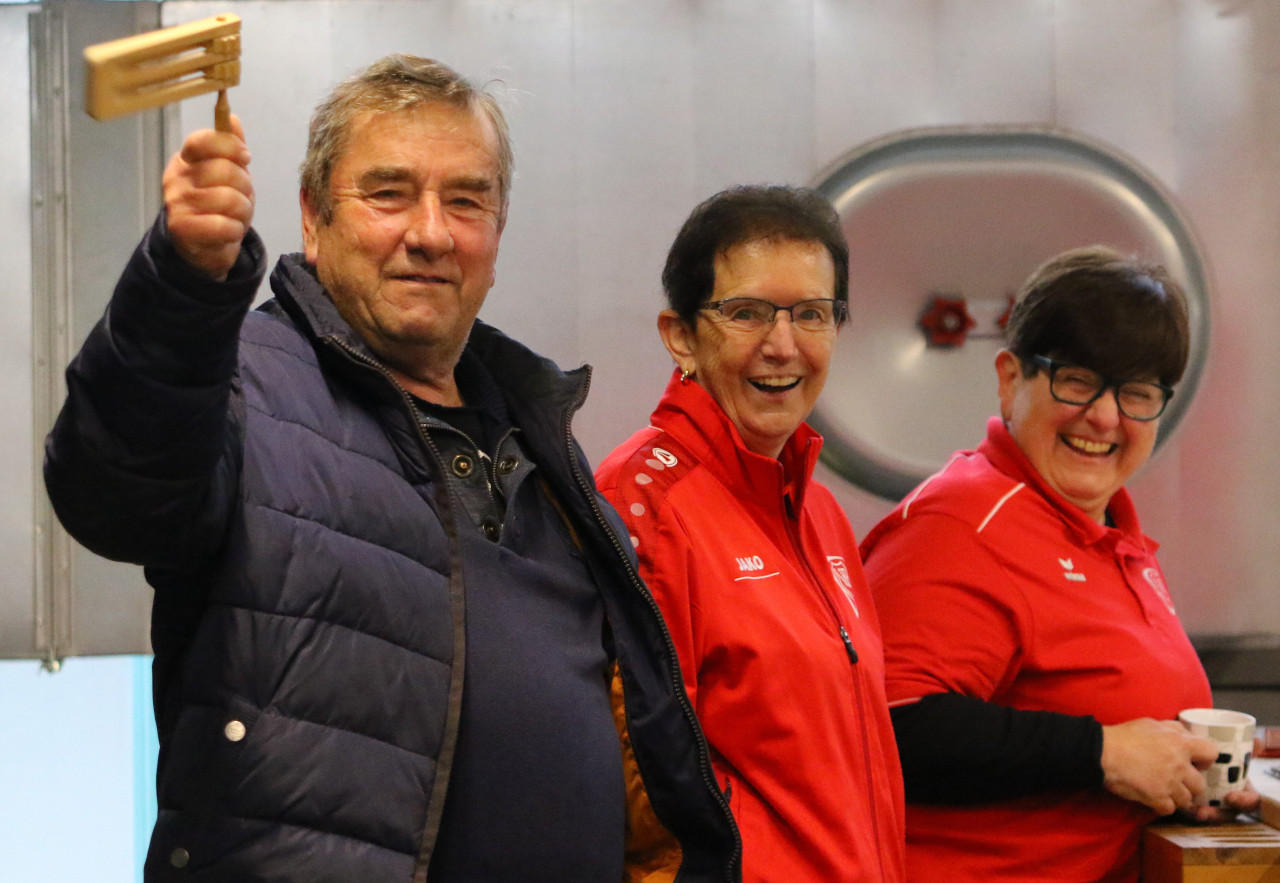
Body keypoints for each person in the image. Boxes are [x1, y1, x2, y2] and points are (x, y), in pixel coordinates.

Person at [43, 55, 739, 882]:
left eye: (467, 200)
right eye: (389, 193)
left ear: (498, 230)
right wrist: (182, 285)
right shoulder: (242, 385)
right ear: (313, 216)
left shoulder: (540, 433)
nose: (432, 233)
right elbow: (118, 493)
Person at [860, 246, 1259, 882]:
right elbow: (888, 726)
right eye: (1076, 380)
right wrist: (1102, 753)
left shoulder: (1106, 533)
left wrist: (1179, 781)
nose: (1104, 415)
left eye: (1136, 393)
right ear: (1010, 378)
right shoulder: (963, 524)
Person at [596, 185, 907, 883]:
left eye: (812, 314)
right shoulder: (643, 502)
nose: (782, 346)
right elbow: (641, 791)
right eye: (747, 313)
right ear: (681, 335)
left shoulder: (818, 510)